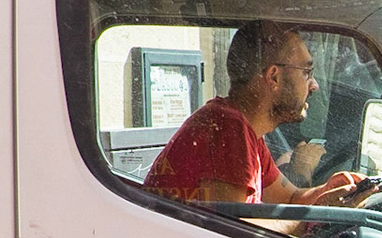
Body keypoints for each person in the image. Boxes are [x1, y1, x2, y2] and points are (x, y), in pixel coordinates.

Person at [144, 21, 362, 207]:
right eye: (307, 72)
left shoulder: (247, 133)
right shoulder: (227, 127)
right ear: (274, 77)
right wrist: (316, 220)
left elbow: (291, 199)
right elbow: (235, 235)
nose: (314, 85)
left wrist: (328, 190)